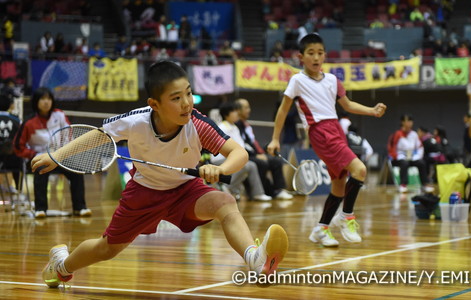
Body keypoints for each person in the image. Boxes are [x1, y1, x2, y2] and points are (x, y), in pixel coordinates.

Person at [31, 61, 288, 288]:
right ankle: (61, 266)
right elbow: (99, 136)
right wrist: (57, 156)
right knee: (107, 248)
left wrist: (221, 169)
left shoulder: (197, 124)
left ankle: (255, 259)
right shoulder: (135, 121)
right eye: (176, 98)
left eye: (189, 93)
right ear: (154, 104)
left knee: (225, 202)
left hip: (186, 190)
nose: (187, 103)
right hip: (144, 193)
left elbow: (239, 153)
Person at [267, 34, 387, 247]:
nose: (316, 57)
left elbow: (348, 105)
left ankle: (321, 229)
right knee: (360, 170)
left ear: (325, 55)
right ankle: (347, 217)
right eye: (311, 53)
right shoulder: (297, 81)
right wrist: (275, 139)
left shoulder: (333, 80)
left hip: (336, 129)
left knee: (339, 186)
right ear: (300, 57)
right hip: (319, 132)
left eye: (320, 53)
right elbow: (282, 110)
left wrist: (372, 110)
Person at [13, 87, 91, 219]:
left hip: (60, 156)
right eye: (42, 99)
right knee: (41, 169)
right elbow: (18, 146)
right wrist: (33, 155)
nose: (46, 102)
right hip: (39, 158)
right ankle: (40, 209)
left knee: (77, 171)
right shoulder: (28, 122)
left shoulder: (59, 115)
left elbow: (68, 134)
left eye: (48, 98)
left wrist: (64, 152)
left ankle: (80, 207)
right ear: (36, 101)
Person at [210, 102, 272, 201]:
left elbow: (241, 146)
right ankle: (226, 188)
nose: (237, 114)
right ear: (227, 114)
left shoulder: (234, 127)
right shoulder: (222, 127)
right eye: (234, 111)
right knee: (246, 165)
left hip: (231, 157)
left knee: (251, 165)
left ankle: (257, 193)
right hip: (220, 159)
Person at [235, 98, 293, 200]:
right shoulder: (236, 125)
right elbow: (241, 144)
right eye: (246, 108)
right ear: (238, 110)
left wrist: (263, 150)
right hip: (246, 155)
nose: (249, 110)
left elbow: (252, 143)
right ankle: (258, 192)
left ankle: (278, 190)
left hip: (254, 153)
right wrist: (255, 155)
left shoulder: (246, 124)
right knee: (262, 163)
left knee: (275, 161)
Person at [387, 114, 433, 194]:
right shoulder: (397, 134)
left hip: (411, 157)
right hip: (399, 158)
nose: (409, 123)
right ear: (402, 122)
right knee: (404, 163)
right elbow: (391, 147)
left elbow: (419, 147)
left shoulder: (414, 134)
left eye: (410, 121)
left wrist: (418, 156)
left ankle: (424, 184)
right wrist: (395, 156)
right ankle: (403, 185)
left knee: (421, 163)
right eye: (407, 121)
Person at [0, 94, 22, 190]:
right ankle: (18, 189)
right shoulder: (17, 120)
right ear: (10, 105)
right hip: (13, 161)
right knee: (19, 160)